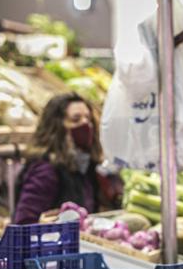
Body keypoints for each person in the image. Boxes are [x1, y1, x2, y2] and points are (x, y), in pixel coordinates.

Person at [13, 93, 120, 224]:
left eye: (88, 118)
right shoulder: (46, 171)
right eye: (76, 120)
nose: (85, 124)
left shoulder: (84, 166)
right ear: (56, 127)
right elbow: (23, 222)